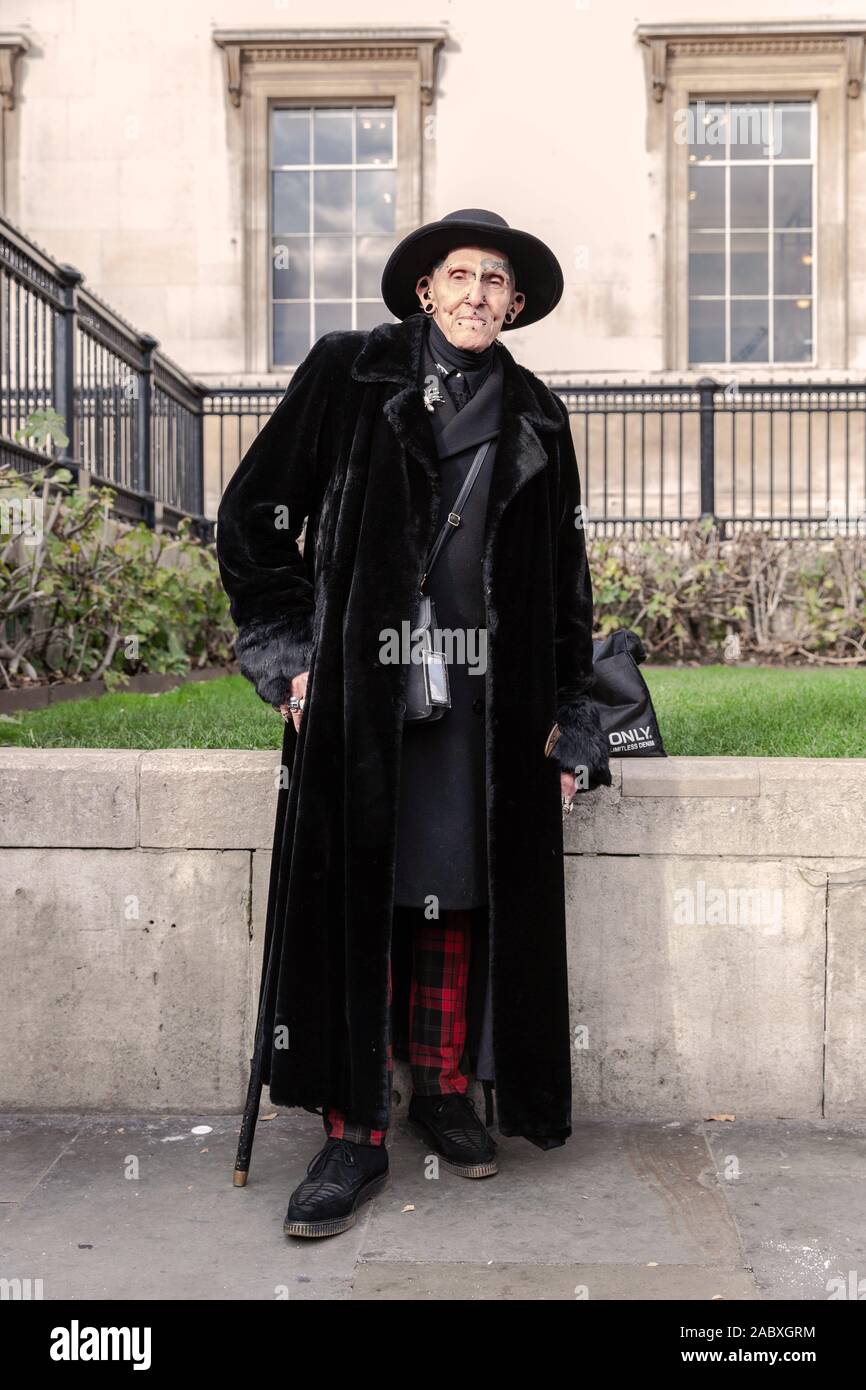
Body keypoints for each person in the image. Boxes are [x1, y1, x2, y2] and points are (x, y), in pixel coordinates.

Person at [216, 208, 611, 1240]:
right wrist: (290, 657)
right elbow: (255, 519)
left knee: (459, 888)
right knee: (364, 891)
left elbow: (562, 585)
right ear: (424, 291)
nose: (477, 294)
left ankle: (439, 1088)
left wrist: (571, 720)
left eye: (496, 281)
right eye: (458, 276)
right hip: (361, 691)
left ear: (513, 304)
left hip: (487, 702)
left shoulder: (539, 416)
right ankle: (353, 1129)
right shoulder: (350, 374)